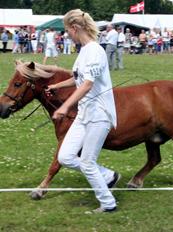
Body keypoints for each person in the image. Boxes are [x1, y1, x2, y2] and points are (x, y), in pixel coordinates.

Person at [45, 9, 120, 213]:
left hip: (99, 115)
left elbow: (87, 85)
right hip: (84, 114)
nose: (67, 34)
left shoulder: (95, 51)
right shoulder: (84, 50)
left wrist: (64, 106)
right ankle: (107, 176)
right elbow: (78, 77)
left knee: (87, 162)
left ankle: (108, 203)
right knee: (66, 156)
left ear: (75, 28)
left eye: (67, 30)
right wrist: (56, 86)